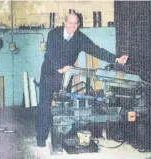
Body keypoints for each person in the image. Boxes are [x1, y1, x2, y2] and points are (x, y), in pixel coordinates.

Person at [36, 13, 129, 147]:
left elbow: (96, 50)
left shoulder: (80, 37)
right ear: (65, 22)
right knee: (44, 106)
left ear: (79, 24)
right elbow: (51, 54)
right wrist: (60, 68)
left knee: (64, 106)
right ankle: (41, 137)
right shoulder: (53, 34)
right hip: (49, 73)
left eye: (76, 23)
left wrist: (116, 59)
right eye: (70, 23)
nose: (72, 26)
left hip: (65, 76)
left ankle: (61, 135)